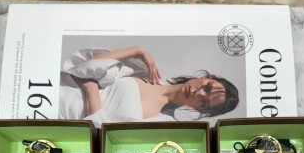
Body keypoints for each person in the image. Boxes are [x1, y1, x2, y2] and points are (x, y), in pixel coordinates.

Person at [59, 46, 239, 126]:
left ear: (202, 110)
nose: (198, 94)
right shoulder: (144, 72)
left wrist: (92, 90)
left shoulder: (163, 123)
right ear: (206, 77)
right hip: (59, 88)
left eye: (204, 102)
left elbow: (100, 136)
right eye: (207, 87)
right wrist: (138, 50)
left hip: (59, 119)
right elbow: (82, 68)